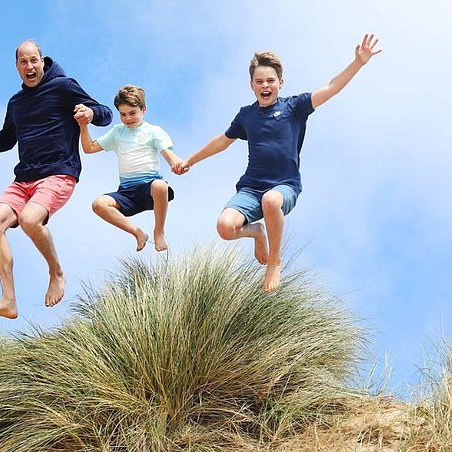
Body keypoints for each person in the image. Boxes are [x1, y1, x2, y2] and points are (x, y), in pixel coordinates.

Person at [173, 34, 381, 293]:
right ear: (251, 86)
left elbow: (331, 87)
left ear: (280, 83)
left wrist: (357, 63)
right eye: (259, 81)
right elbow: (222, 141)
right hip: (250, 188)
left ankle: (275, 260)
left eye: (270, 80)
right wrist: (189, 161)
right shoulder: (246, 115)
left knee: (271, 201)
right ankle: (257, 233)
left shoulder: (295, 107)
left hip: (285, 185)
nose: (265, 85)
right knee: (225, 228)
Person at [0, 39, 112, 316]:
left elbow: (106, 115)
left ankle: (56, 273)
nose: (29, 66)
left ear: (42, 61)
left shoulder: (63, 87)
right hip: (24, 179)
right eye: (23, 62)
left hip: (59, 172)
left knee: (29, 219)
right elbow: (3, 140)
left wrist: (90, 112)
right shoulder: (17, 103)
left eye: (33, 60)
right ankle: (8, 300)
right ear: (16, 67)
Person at [76, 85, 182, 252]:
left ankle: (159, 231)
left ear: (143, 109)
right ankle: (137, 233)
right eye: (123, 114)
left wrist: (176, 163)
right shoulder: (118, 132)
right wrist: (83, 126)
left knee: (160, 185)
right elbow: (89, 148)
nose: (127, 118)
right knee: (98, 204)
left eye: (132, 113)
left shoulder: (153, 131)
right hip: (127, 193)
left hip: (150, 189)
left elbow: (168, 154)